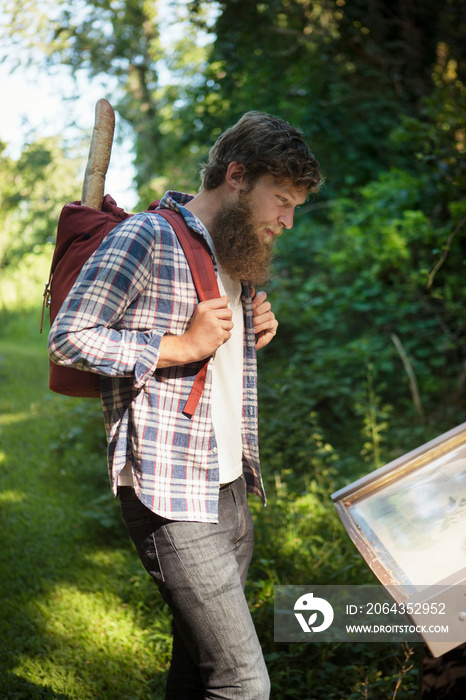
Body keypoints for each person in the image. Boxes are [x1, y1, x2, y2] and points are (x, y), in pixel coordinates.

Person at [48, 111, 321, 699]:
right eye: (281, 200)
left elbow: (212, 357)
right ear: (237, 175)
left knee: (197, 668)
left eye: (294, 206)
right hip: (170, 493)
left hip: (227, 486)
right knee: (243, 683)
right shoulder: (145, 236)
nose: (287, 221)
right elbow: (70, 336)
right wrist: (177, 346)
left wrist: (251, 329)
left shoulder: (233, 254)